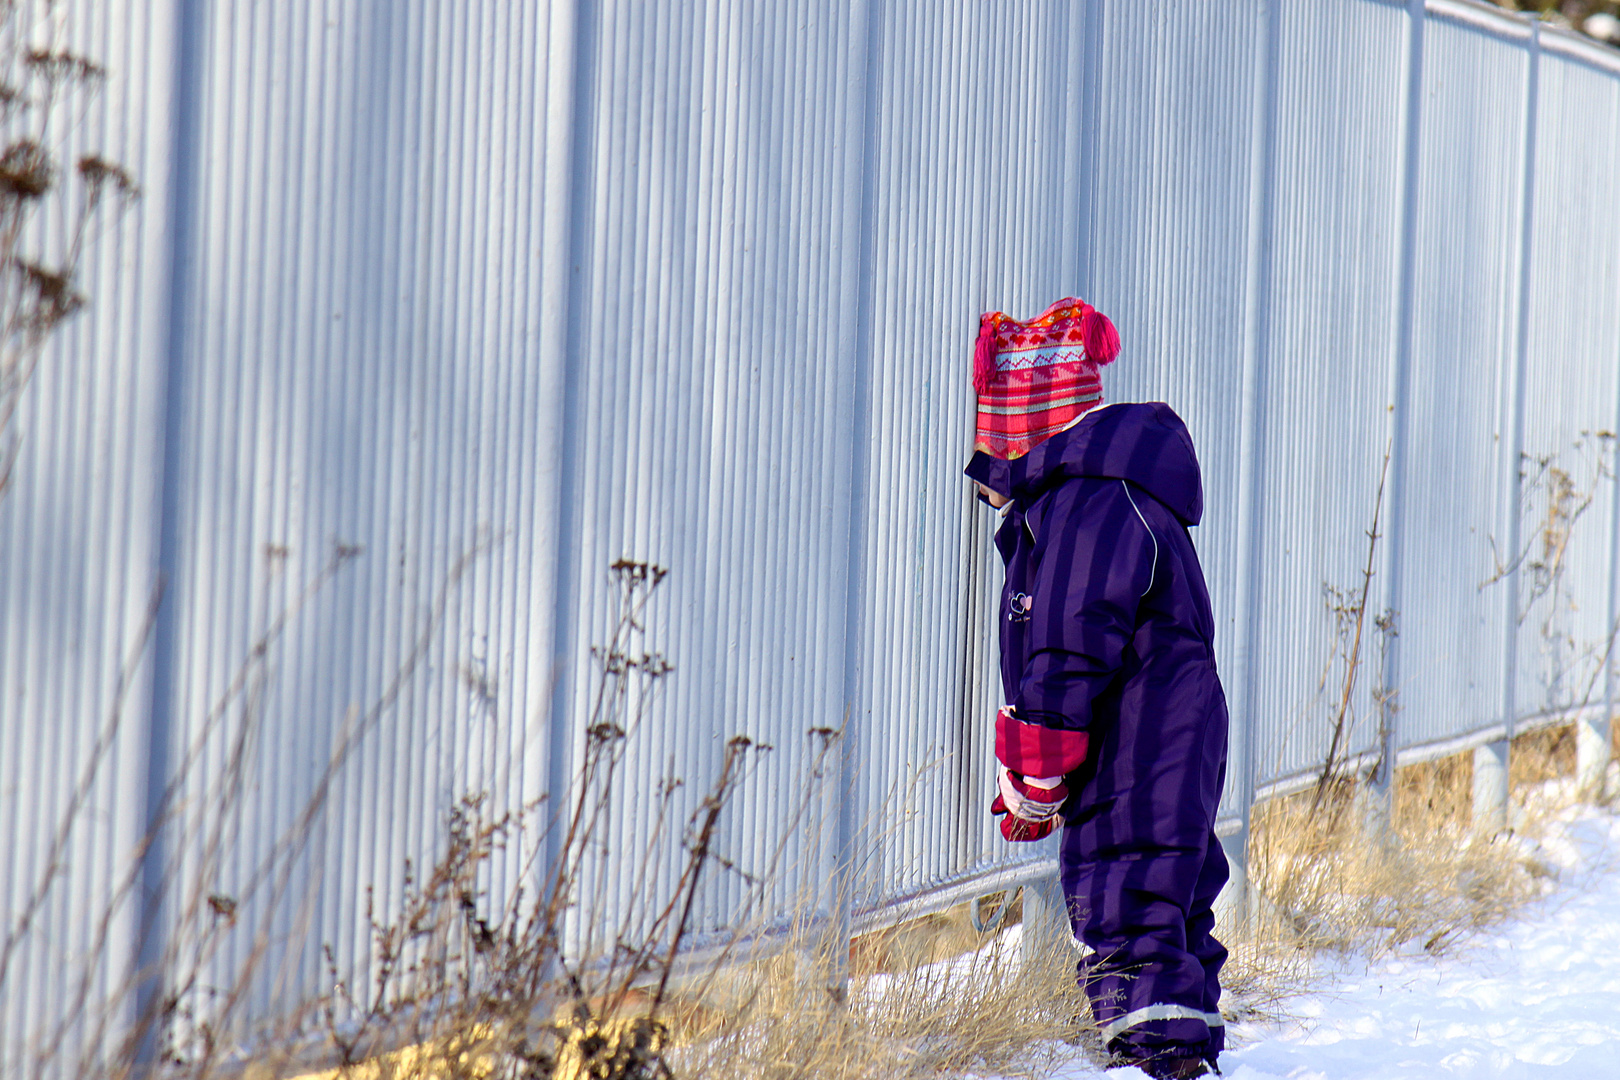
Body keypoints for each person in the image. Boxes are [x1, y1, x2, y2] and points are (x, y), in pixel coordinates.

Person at [962, 298, 1229, 1080]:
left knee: (1126, 890)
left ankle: (1160, 1060)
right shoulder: (1115, 493)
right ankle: (1187, 1047)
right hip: (1172, 730)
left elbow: (1068, 641)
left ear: (1026, 435)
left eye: (992, 453)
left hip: (1138, 744)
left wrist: (1036, 770)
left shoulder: (1086, 504)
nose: (987, 480)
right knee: (1171, 895)